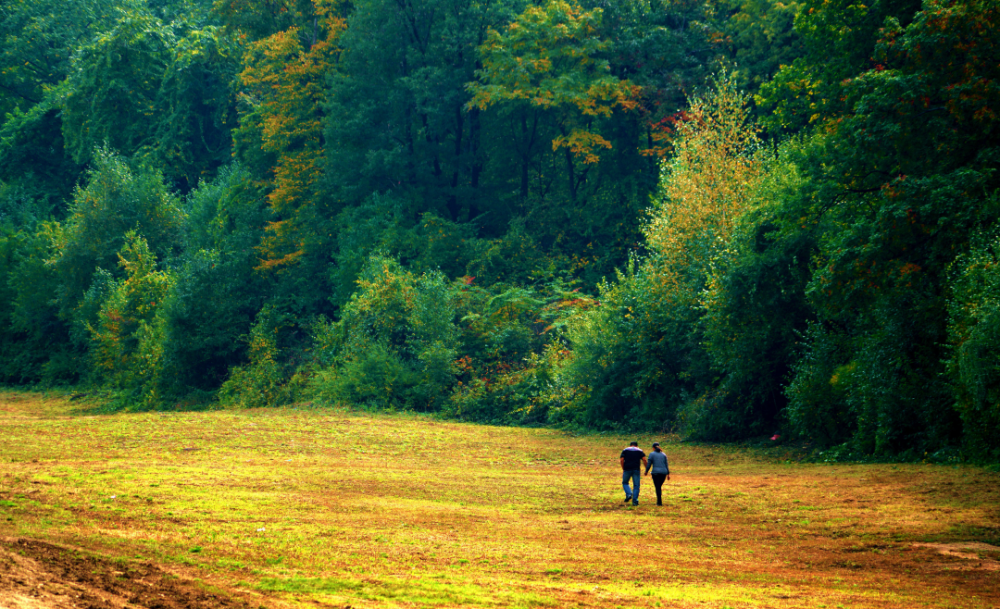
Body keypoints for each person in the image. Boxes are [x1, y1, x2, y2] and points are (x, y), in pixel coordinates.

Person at [619, 441, 646, 506]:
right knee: (636, 485)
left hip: (627, 469)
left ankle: (629, 494)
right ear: (637, 446)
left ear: (630, 445)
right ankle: (635, 501)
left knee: (625, 482)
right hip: (636, 469)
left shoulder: (625, 450)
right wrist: (646, 468)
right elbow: (644, 459)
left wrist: (623, 468)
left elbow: (622, 460)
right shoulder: (639, 450)